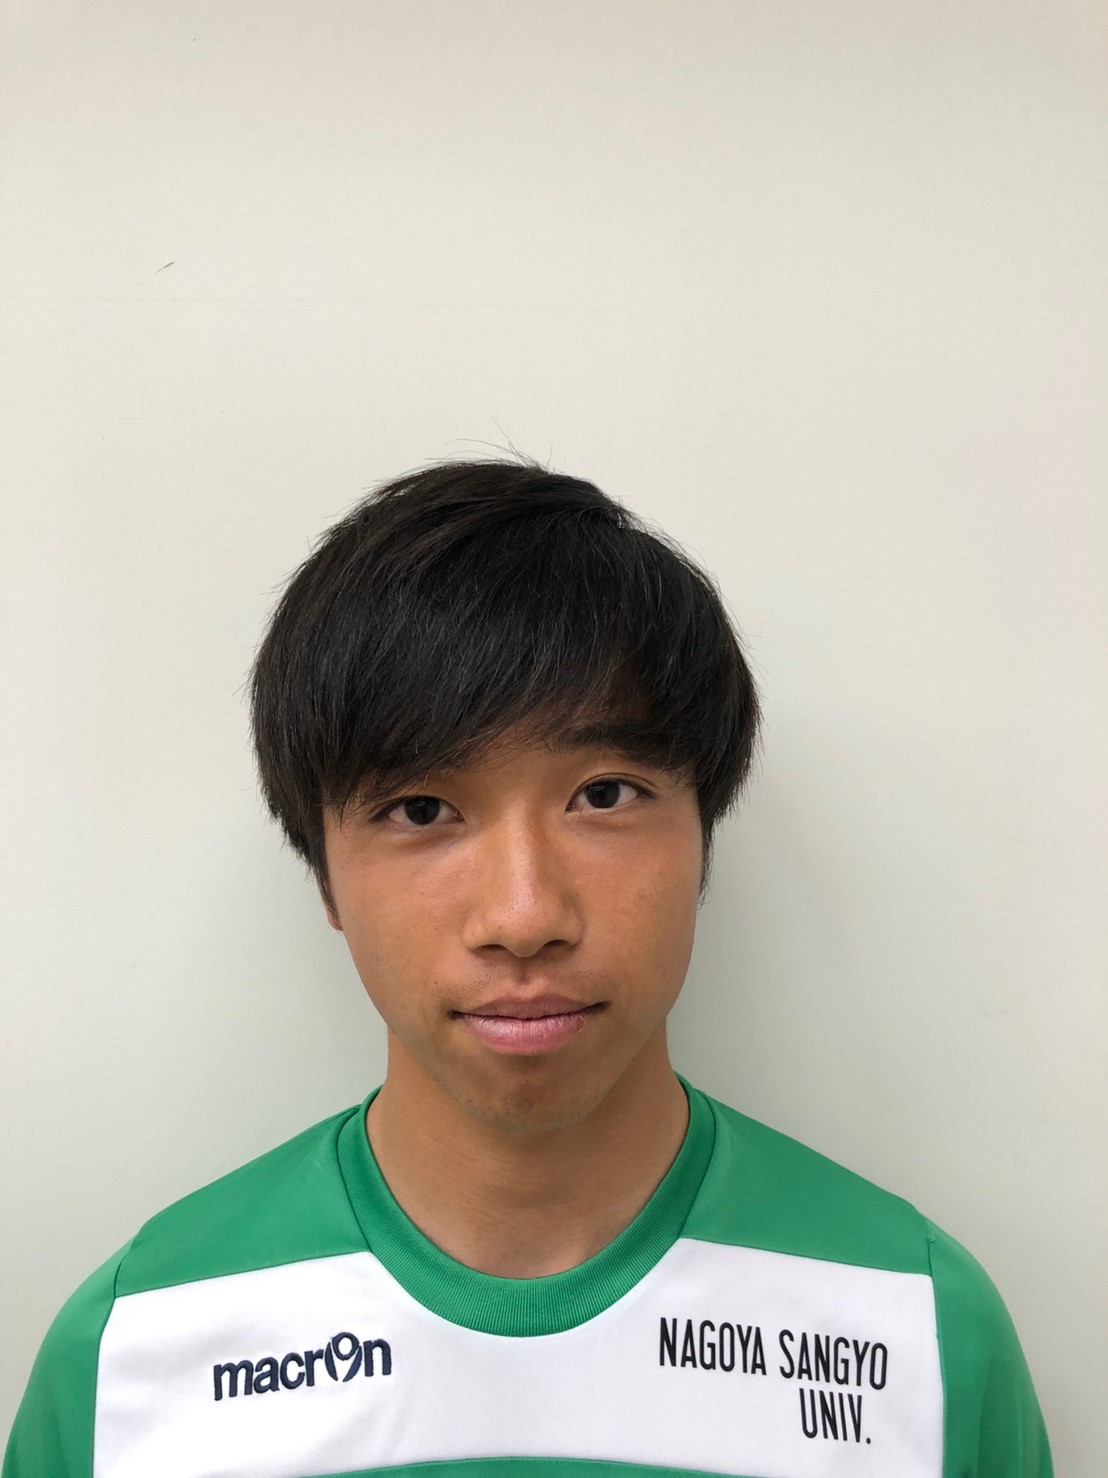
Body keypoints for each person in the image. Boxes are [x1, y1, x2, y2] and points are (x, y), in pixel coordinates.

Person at [5, 460, 1051, 1477]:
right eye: (421, 808)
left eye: (604, 794)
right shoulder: (137, 1354)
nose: (523, 916)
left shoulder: (915, 1330)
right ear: (324, 875)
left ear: (703, 838)